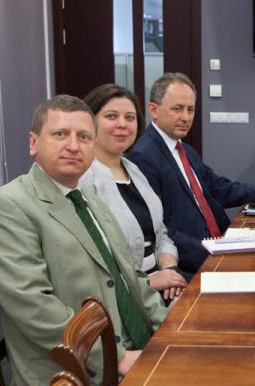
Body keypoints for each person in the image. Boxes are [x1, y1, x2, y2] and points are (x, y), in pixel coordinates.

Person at [0, 95, 168, 386]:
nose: (74, 146)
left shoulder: (89, 200)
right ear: (33, 143)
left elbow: (131, 279)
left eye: (84, 137)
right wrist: (118, 358)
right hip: (75, 379)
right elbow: (35, 308)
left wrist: (169, 329)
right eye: (60, 134)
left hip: (136, 347)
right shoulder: (8, 206)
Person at [128, 72, 255, 276]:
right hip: (193, 261)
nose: (186, 117)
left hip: (220, 243)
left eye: (191, 109)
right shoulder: (144, 156)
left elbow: (220, 189)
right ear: (153, 110)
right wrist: (216, 255)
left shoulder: (184, 150)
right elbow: (161, 229)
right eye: (177, 109)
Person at [80, 84, 186, 303]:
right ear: (90, 122)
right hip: (122, 296)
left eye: (130, 118)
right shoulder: (82, 180)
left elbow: (161, 233)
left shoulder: (135, 170)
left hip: (162, 282)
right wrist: (150, 282)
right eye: (111, 116)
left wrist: (170, 270)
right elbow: (91, 261)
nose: (122, 124)